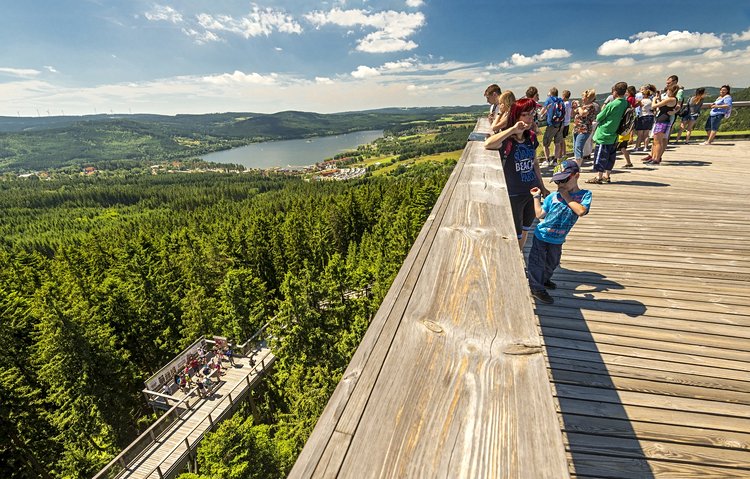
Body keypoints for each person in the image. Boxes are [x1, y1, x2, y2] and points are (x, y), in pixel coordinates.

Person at [485, 97, 549, 250]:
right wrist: (513, 129)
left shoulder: (531, 137)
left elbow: (534, 163)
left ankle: (519, 256)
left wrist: (542, 186)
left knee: (526, 229)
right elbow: (489, 144)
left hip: (532, 191)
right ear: (516, 116)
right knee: (515, 232)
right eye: (525, 114)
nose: (529, 118)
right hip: (514, 194)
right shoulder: (508, 139)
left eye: (531, 114)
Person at [528, 160, 591, 304]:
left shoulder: (585, 196)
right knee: (536, 263)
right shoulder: (552, 197)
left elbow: (581, 211)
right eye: (557, 182)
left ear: (576, 176)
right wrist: (537, 197)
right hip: (542, 235)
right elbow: (539, 215)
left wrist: (566, 197)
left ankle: (543, 280)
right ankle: (536, 288)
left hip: (558, 239)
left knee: (553, 262)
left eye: (564, 180)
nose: (560, 185)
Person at [586, 82, 629, 184]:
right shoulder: (626, 103)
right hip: (615, 134)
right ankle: (607, 175)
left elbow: (599, 117)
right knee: (611, 156)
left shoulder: (612, 104)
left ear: (615, 92)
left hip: (605, 133)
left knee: (600, 155)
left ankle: (599, 177)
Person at [643, 84, 678, 165]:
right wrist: (658, 98)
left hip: (663, 121)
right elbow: (662, 103)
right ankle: (654, 157)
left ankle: (656, 159)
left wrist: (654, 99)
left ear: (671, 91)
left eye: (668, 90)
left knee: (658, 141)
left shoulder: (670, 99)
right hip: (662, 120)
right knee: (655, 141)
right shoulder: (672, 99)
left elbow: (654, 106)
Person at [572, 89, 599, 167]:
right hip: (577, 128)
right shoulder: (584, 106)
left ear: (587, 98)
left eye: (583, 97)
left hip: (584, 129)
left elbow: (583, 114)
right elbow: (573, 113)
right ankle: (577, 163)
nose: (582, 98)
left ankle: (578, 165)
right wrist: (574, 107)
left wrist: (578, 107)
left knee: (578, 147)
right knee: (576, 147)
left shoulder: (591, 106)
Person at [539, 87, 565, 167]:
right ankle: (555, 161)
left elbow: (542, 111)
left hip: (551, 125)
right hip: (560, 124)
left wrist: (540, 116)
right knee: (557, 143)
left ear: (550, 93)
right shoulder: (560, 100)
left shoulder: (549, 99)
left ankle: (547, 160)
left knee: (545, 144)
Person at [633, 85, 654, 151]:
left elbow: (635, 106)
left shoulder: (642, 101)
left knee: (640, 134)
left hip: (642, 117)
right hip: (650, 116)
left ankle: (637, 147)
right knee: (646, 134)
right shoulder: (650, 101)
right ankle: (645, 147)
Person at [561, 90, 573, 159]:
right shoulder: (569, 103)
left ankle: (563, 154)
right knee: (563, 139)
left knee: (561, 140)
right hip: (568, 122)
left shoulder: (565, 104)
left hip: (564, 123)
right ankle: (564, 153)